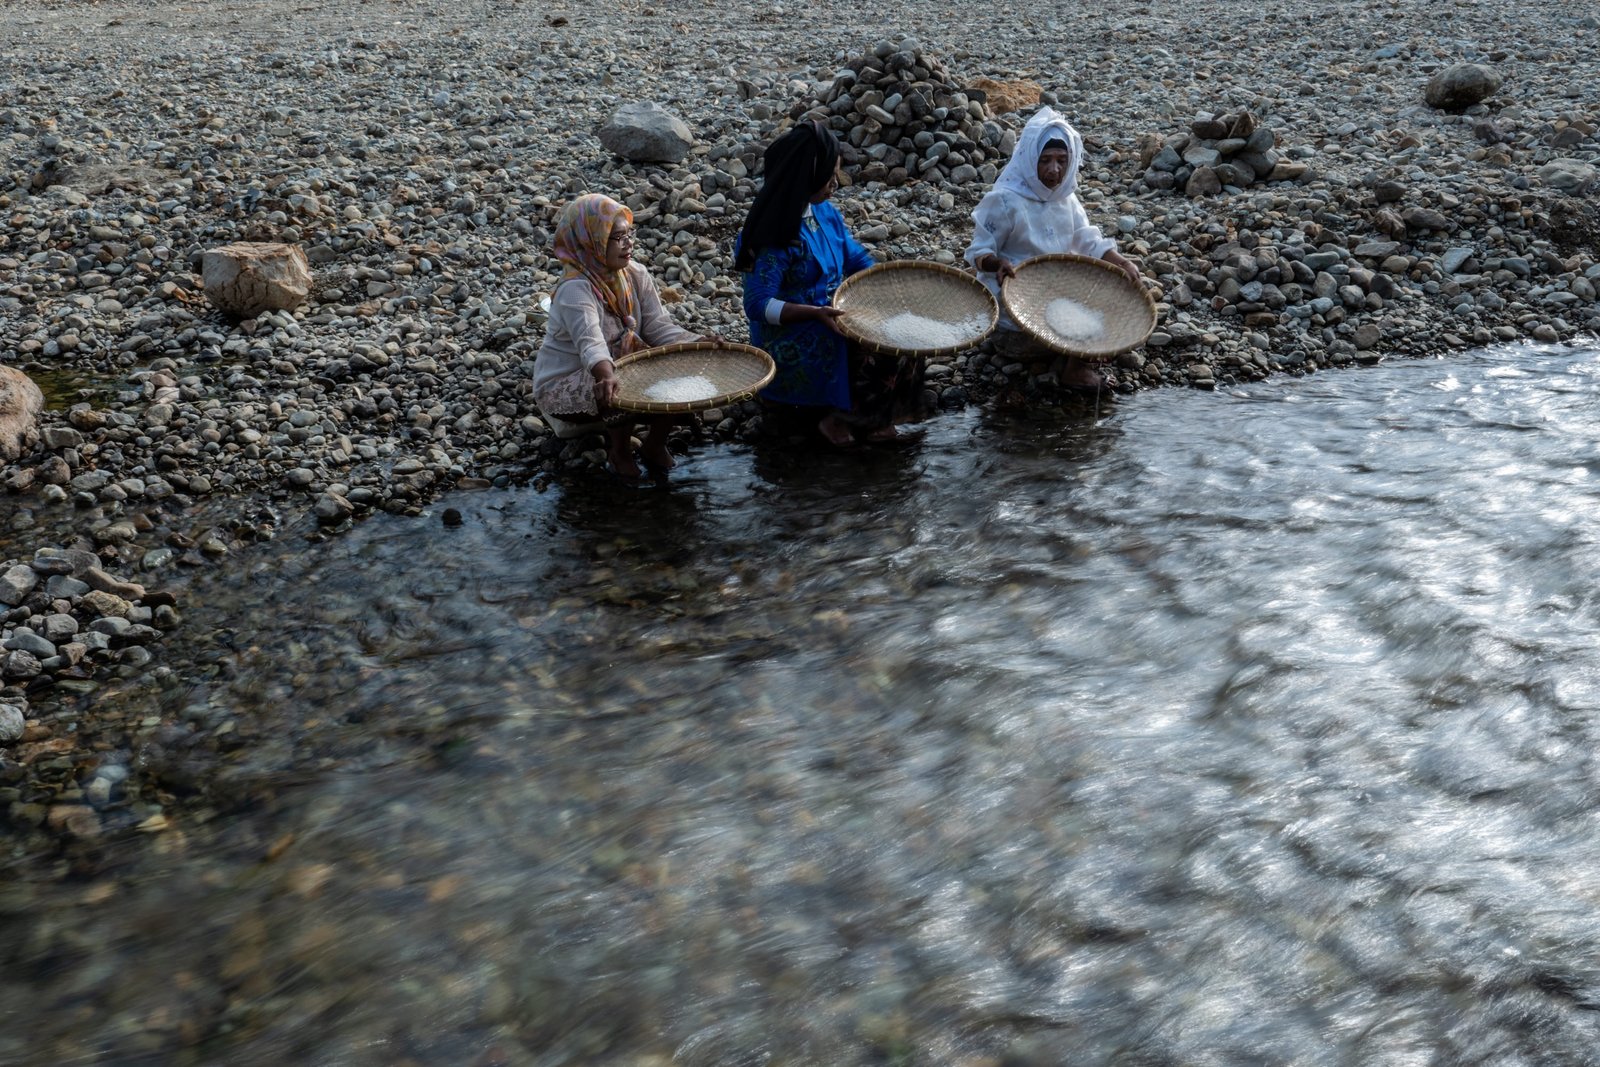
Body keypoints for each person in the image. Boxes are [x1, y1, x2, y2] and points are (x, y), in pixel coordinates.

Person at [737, 121, 926, 445]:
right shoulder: (773, 235)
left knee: (907, 336)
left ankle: (877, 419)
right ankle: (837, 419)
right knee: (871, 349)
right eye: (829, 174)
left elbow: (855, 260)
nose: (836, 182)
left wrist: (890, 288)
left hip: (831, 311)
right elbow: (757, 304)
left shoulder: (825, 213)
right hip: (794, 332)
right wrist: (813, 313)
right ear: (805, 177)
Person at [965, 107, 1141, 393]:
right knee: (1088, 319)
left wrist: (1120, 262)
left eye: (1062, 160)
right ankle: (1077, 366)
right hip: (1016, 312)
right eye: (1045, 160)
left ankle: (1075, 360)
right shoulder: (1005, 200)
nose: (1054, 170)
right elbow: (978, 251)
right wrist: (997, 263)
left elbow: (1088, 241)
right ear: (1029, 159)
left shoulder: (1066, 199)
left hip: (1053, 296)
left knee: (1110, 291)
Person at [532, 193, 705, 479]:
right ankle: (620, 452)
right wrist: (606, 373)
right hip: (569, 378)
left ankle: (654, 444)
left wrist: (699, 343)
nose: (628, 244)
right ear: (592, 241)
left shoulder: (635, 274)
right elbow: (591, 342)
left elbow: (658, 327)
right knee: (619, 382)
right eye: (617, 237)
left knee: (676, 368)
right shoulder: (575, 289)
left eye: (629, 234)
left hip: (621, 366)